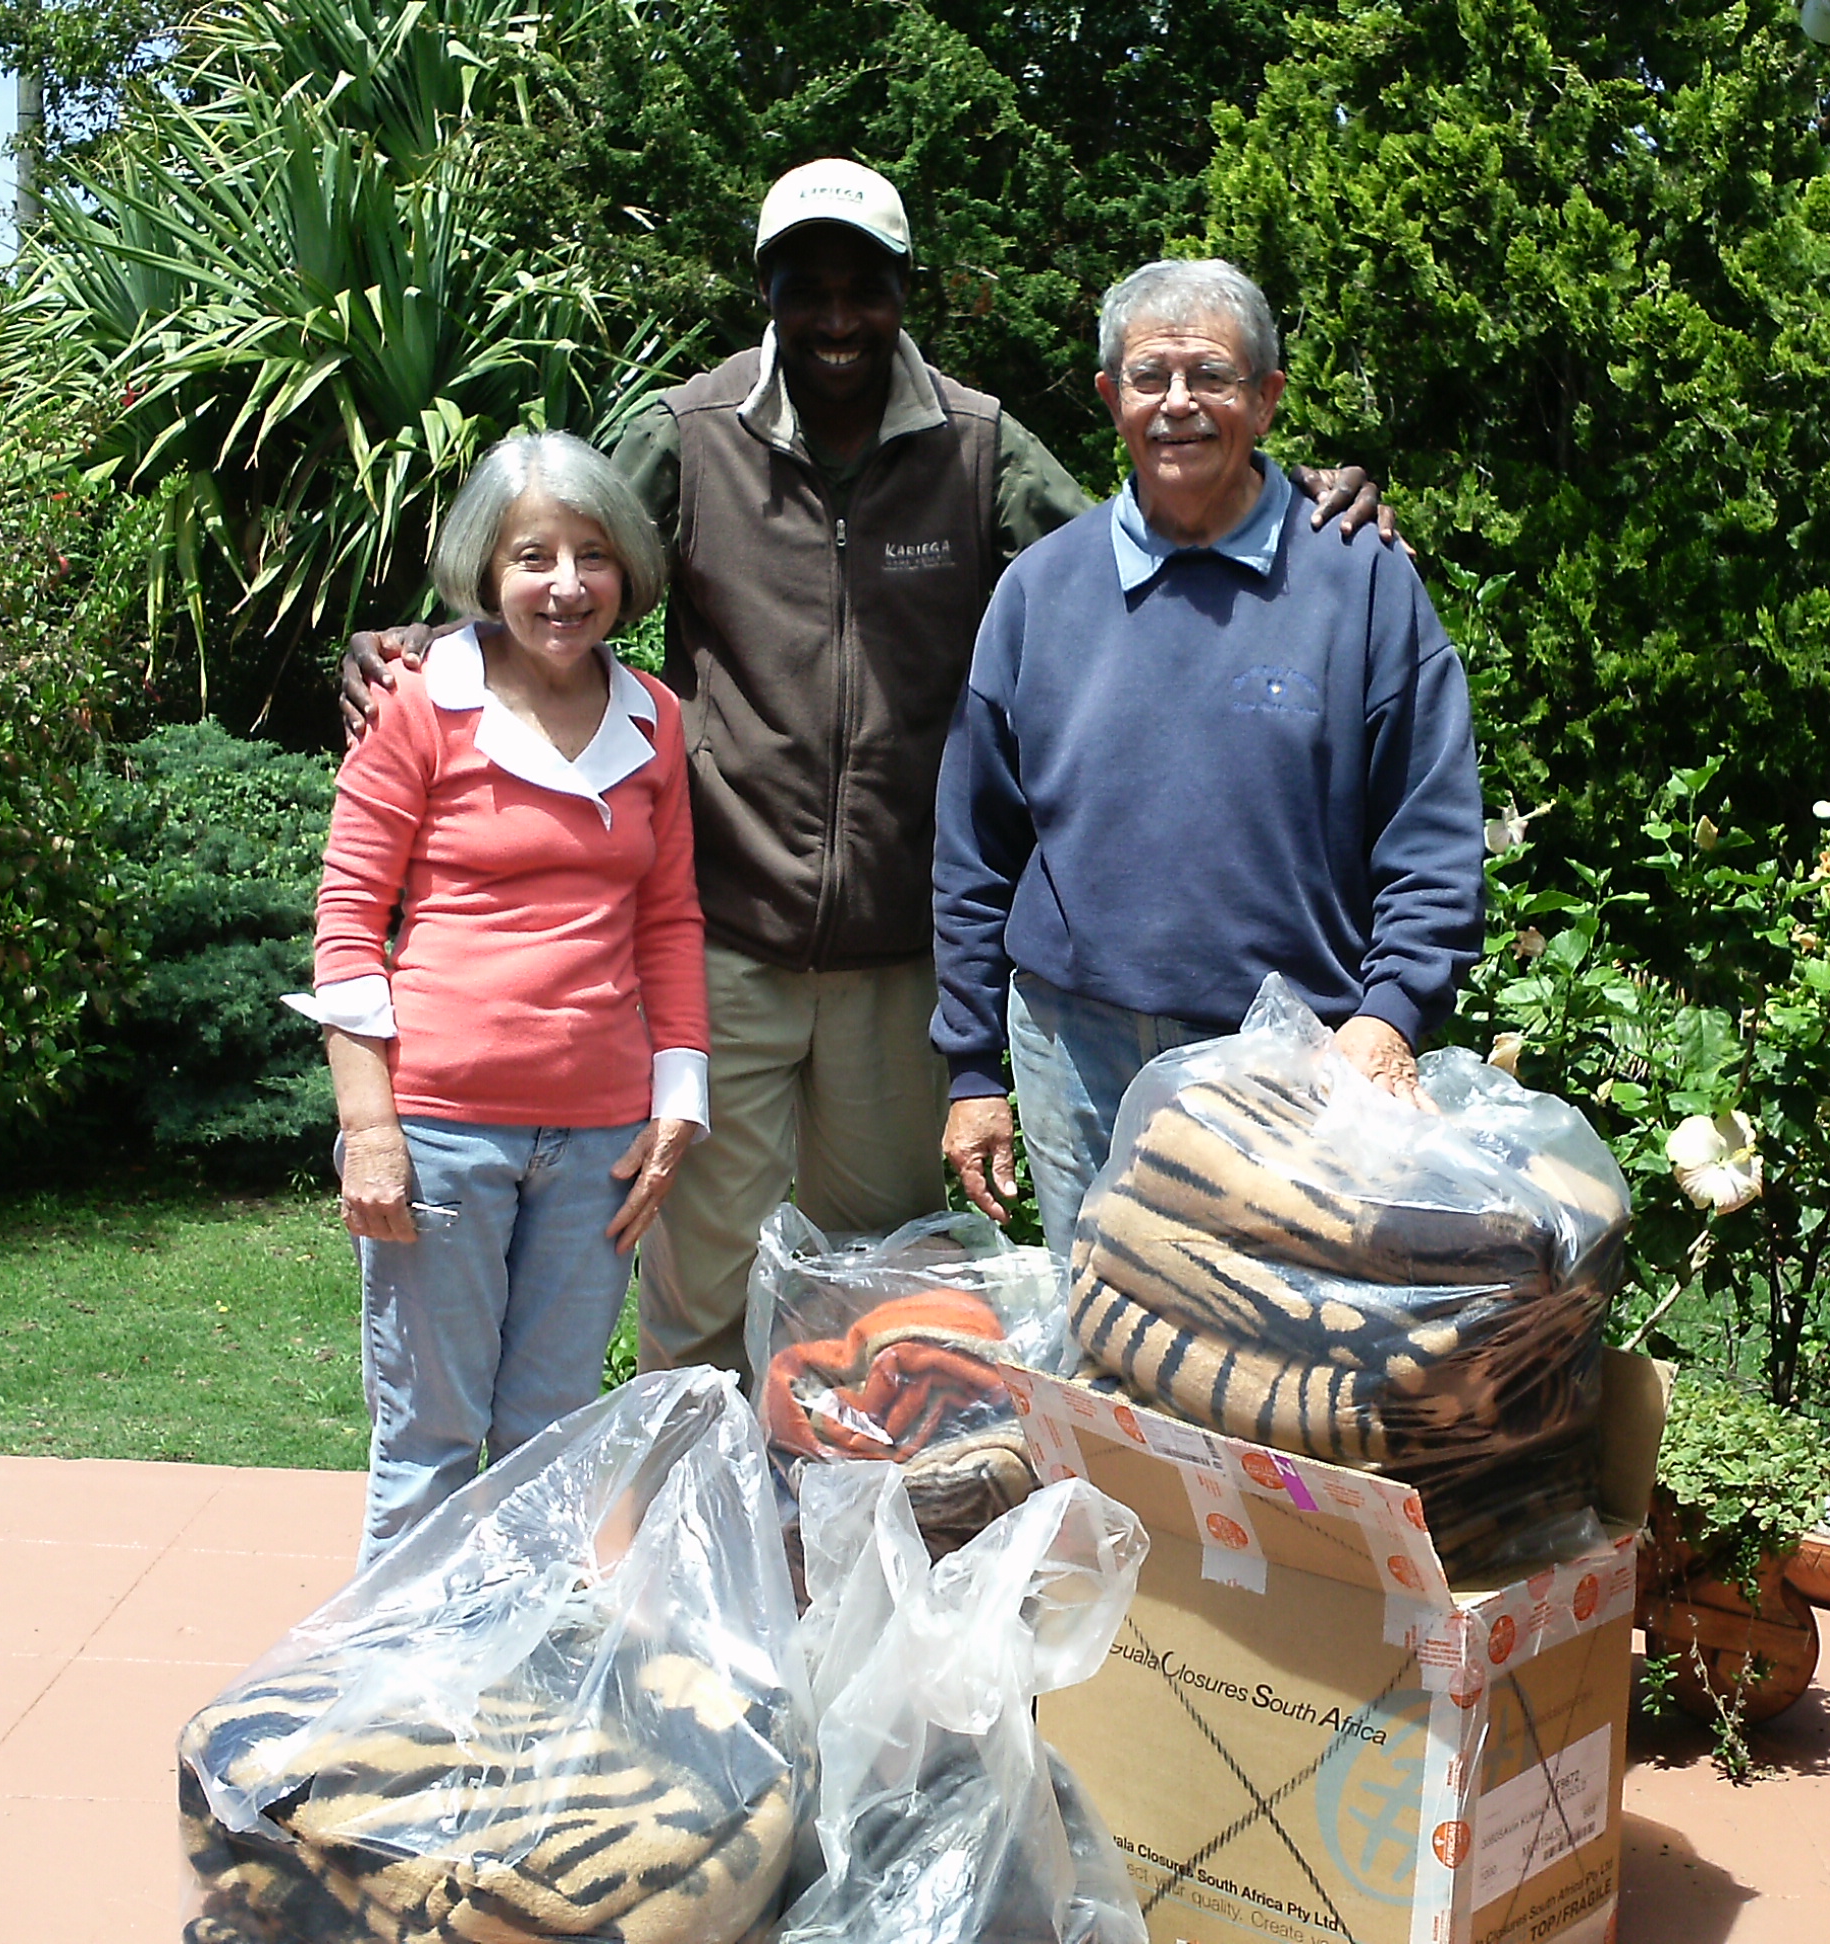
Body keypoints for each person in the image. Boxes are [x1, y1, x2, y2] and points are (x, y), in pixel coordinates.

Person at [341, 161, 1395, 1386]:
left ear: (905, 290)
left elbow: (1143, 542)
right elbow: (559, 567)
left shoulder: (977, 445)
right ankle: (690, 1550)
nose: (836, 318)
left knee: (872, 1288)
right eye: (807, 289)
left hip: (902, 958)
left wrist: (1305, 493)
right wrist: (432, 634)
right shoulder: (691, 434)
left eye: (864, 288)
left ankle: (846, 1553)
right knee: (699, 1286)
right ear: (766, 292)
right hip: (724, 941)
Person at [931, 259, 1485, 1264]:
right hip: (1075, 1053)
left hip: (1299, 1056)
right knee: (1100, 1339)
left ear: (1267, 399)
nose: (1178, 404)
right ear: (1111, 400)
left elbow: (1432, 828)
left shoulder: (1362, 584)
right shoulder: (1040, 591)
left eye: (1212, 377)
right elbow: (975, 848)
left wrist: (1393, 1012)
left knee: (1278, 1353)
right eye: (1150, 376)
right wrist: (973, 1069)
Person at [290, 431, 708, 1564]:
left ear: (627, 569)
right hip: (440, 1134)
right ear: (486, 570)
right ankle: (397, 1699)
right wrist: (368, 1130)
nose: (565, 585)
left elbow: (668, 921)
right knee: (431, 1437)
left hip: (599, 1146)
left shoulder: (655, 720)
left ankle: (524, 1681)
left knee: (553, 1439)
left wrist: (680, 1103)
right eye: (534, 557)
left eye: (591, 555)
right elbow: (346, 923)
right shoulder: (421, 703)